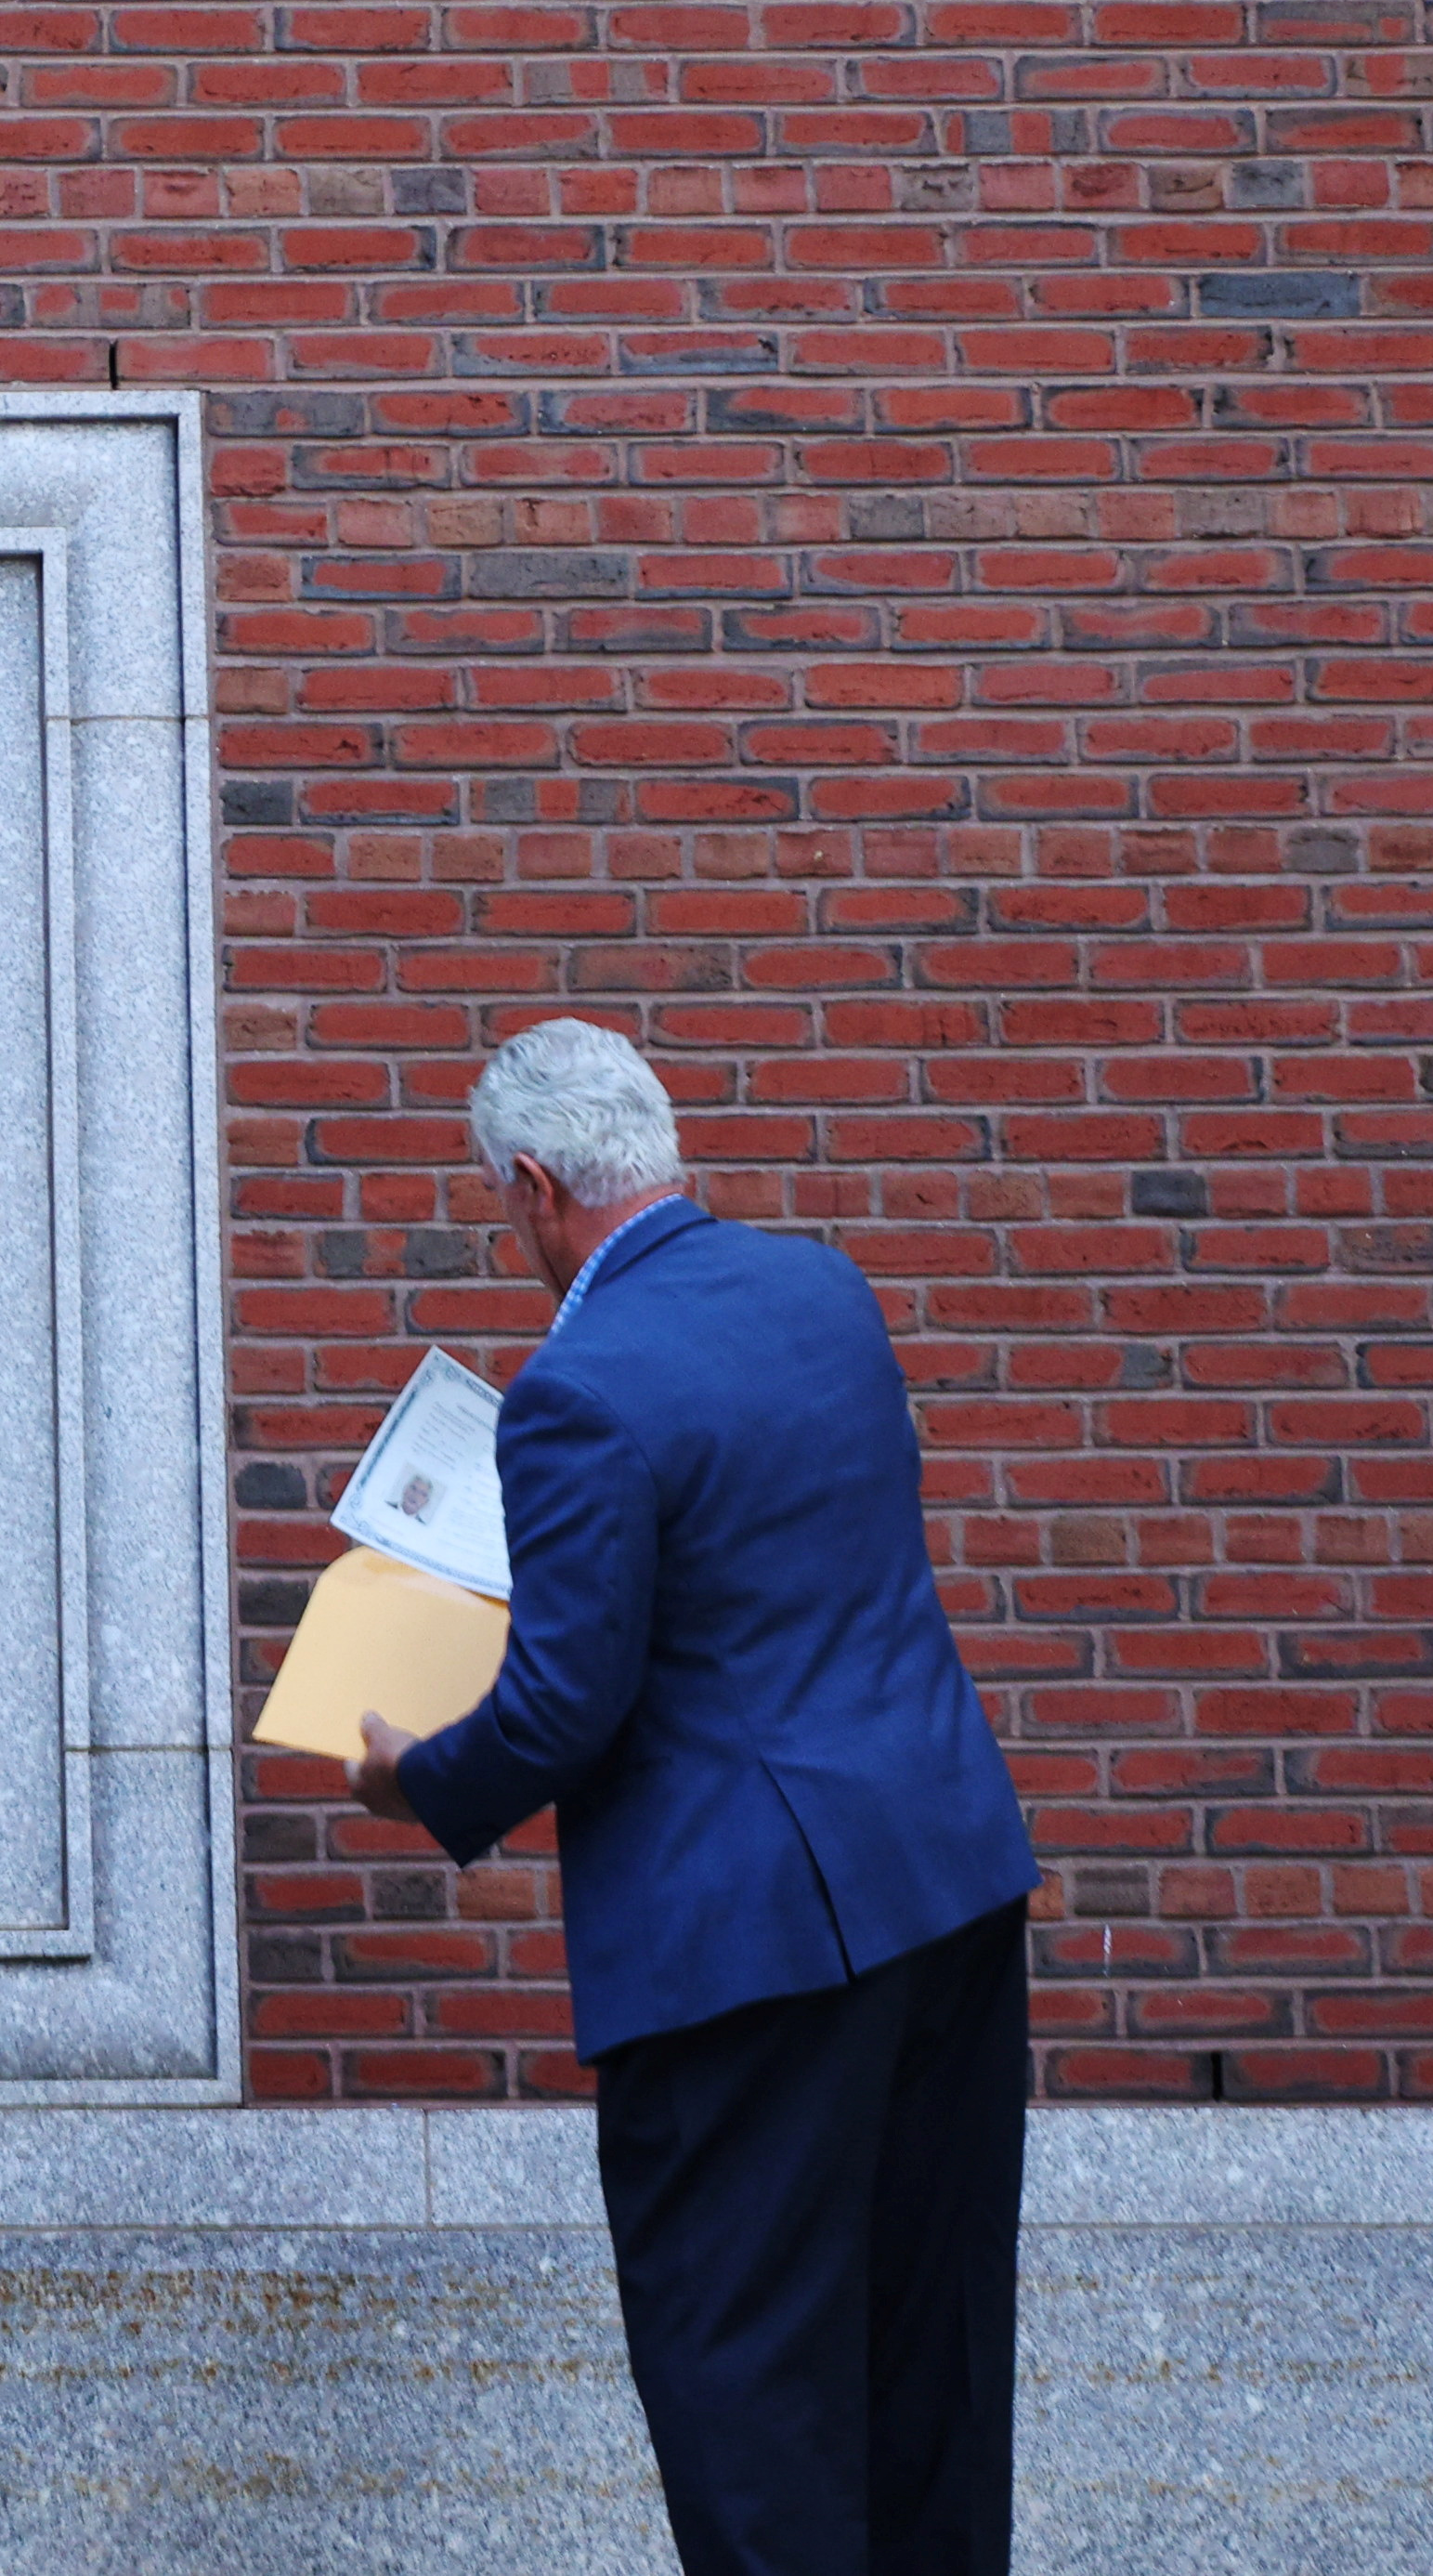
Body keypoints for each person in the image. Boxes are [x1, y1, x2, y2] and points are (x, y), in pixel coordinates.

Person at [346, 1021, 1042, 2576]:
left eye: (499, 1204)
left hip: (745, 1953)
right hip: (945, 1882)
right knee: (930, 2362)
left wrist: (417, 1781)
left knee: (751, 2399)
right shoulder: (827, 1293)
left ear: (534, 1185)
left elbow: (561, 1712)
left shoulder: (574, 1388)